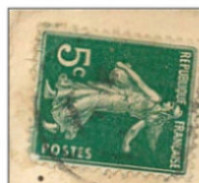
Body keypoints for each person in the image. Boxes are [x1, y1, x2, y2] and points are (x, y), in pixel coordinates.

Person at [42, 62, 182, 154]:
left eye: (172, 105)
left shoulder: (155, 102)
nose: (170, 102)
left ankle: (58, 125)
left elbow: (139, 83)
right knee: (88, 91)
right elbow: (139, 85)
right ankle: (54, 94)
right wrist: (126, 143)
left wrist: (126, 144)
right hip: (121, 95)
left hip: (119, 102)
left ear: (168, 112)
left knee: (87, 101)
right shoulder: (154, 111)